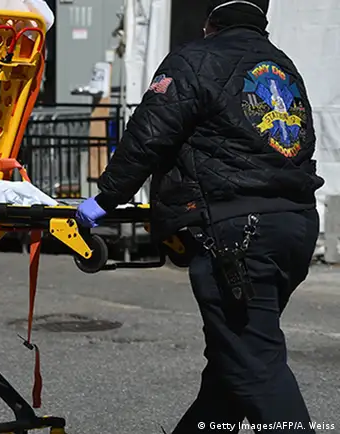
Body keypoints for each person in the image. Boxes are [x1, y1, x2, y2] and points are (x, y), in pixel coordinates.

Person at [75, 1, 322, 432]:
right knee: (232, 363)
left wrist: (103, 200)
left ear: (210, 21)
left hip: (236, 234)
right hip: (294, 226)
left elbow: (148, 136)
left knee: (255, 367)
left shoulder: (194, 60)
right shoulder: (283, 67)